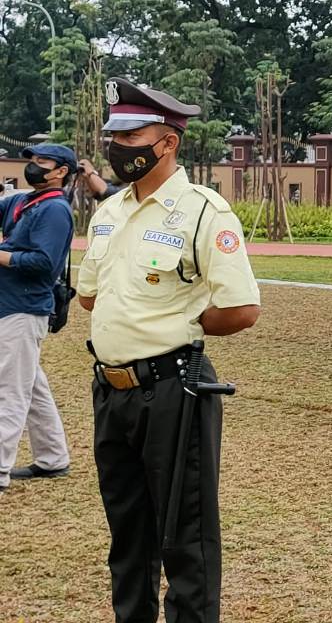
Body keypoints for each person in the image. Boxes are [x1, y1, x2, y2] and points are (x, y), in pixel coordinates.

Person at [78, 78, 261, 623]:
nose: (119, 146)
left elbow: (241, 308)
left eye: (133, 134)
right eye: (115, 134)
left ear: (168, 143)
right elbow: (89, 296)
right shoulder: (109, 212)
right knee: (127, 532)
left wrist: (177, 320)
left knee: (186, 537)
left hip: (174, 388)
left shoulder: (204, 211)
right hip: (112, 391)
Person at [0, 144, 76, 494]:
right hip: (9, 304)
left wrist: (3, 257)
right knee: (30, 383)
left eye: (42, 162)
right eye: (32, 160)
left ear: (60, 171)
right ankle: (52, 457)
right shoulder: (20, 202)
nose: (33, 166)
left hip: (24, 306)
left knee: (9, 391)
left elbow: (45, 264)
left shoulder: (55, 210)